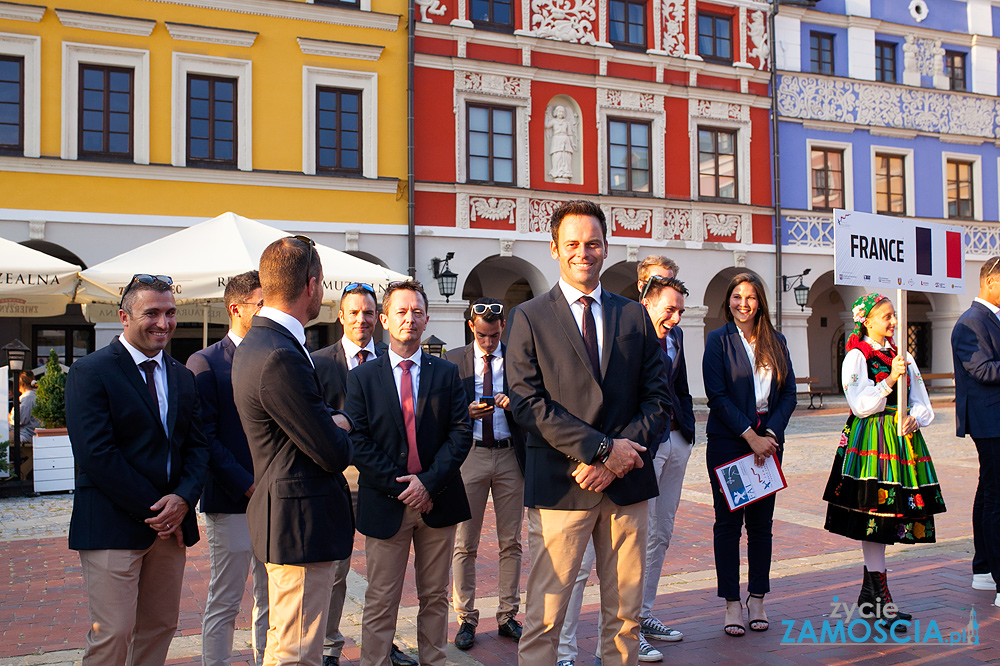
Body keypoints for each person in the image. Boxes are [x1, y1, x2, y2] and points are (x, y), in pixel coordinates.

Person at [507, 199, 669, 666]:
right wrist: (600, 450)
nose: (584, 252)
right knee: (545, 616)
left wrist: (619, 458)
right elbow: (527, 403)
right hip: (563, 483)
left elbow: (659, 400)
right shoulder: (530, 317)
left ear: (606, 248)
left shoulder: (634, 315)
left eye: (593, 243)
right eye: (573, 243)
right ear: (554, 248)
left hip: (627, 486)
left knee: (625, 617)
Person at [65, 274, 209, 665]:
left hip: (170, 528)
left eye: (170, 313)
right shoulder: (91, 372)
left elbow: (197, 447)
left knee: (160, 625)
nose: (163, 323)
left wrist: (183, 499)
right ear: (124, 316)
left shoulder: (182, 375)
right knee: (113, 633)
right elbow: (97, 455)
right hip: (113, 524)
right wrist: (159, 510)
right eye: (152, 313)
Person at [232, 236, 354, 666]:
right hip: (299, 525)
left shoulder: (263, 342)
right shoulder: (279, 353)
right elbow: (331, 450)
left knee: (288, 644)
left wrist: (328, 422)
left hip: (288, 518)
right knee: (297, 652)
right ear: (312, 284)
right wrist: (342, 423)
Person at [345, 280, 472, 666]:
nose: (409, 319)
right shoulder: (362, 377)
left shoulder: (446, 373)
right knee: (382, 597)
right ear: (384, 319)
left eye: (417, 312)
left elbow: (461, 432)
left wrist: (428, 483)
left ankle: (434, 660)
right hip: (387, 502)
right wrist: (403, 486)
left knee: (435, 596)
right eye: (401, 311)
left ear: (427, 318)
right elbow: (358, 440)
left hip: (439, 499)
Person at [312, 282, 415, 666]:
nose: (362, 320)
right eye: (354, 312)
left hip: (383, 480)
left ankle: (384, 647)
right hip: (336, 480)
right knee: (335, 571)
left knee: (384, 577)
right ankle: (328, 648)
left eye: (369, 313)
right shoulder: (319, 362)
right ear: (341, 317)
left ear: (379, 318)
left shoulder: (394, 358)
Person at [825, 292, 945, 621]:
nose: (894, 321)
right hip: (871, 441)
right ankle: (878, 599)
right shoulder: (856, 356)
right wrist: (890, 379)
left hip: (900, 441)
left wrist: (914, 417)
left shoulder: (902, 353)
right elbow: (860, 405)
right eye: (887, 316)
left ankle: (873, 597)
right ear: (867, 320)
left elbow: (923, 401)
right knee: (874, 516)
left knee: (887, 517)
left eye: (894, 315)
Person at [702, 273, 795, 637]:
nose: (743, 303)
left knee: (761, 527)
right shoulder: (717, 341)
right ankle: (731, 603)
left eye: (751, 297)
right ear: (729, 302)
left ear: (761, 303)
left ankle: (757, 598)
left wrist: (769, 434)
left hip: (768, 441)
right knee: (728, 525)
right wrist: (750, 436)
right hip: (729, 442)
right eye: (737, 297)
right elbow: (717, 396)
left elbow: (788, 394)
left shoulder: (777, 341)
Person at [187, 271, 269, 666]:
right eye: (260, 304)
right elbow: (203, 436)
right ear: (236, 309)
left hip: (273, 498)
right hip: (232, 499)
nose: (268, 311)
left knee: (270, 597)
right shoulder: (204, 362)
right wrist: (246, 484)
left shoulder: (273, 355)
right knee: (226, 598)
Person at [445, 297, 525, 651]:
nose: (489, 342)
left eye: (493, 336)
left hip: (509, 456)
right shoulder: (453, 362)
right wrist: (466, 413)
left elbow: (535, 404)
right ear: (471, 329)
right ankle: (466, 617)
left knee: (511, 542)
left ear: (502, 328)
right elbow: (445, 414)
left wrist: (515, 405)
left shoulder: (519, 359)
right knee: (465, 543)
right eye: (482, 336)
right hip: (472, 457)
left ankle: (508, 615)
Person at [638, 275, 694, 648]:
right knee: (638, 536)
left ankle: (644, 612)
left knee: (662, 533)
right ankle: (627, 626)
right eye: (669, 309)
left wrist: (686, 431)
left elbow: (681, 386)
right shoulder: (633, 336)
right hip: (647, 443)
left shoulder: (676, 336)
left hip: (676, 439)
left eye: (680, 311)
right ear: (648, 303)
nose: (674, 318)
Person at [953, 258, 1000, 602]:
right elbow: (982, 370)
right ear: (989, 281)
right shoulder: (971, 322)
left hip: (993, 419)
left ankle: (984, 569)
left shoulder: (990, 319)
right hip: (990, 420)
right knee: (996, 498)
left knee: (989, 492)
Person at [8, 371, 40, 477]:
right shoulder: (35, 395)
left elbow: (19, 420)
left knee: (2, 435)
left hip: (25, 433)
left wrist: (9, 417)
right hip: (32, 431)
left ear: (21, 384)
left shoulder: (27, 398)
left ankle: (14, 471)